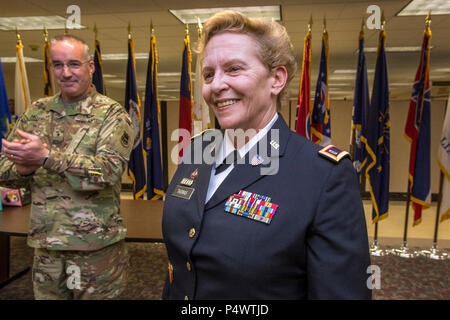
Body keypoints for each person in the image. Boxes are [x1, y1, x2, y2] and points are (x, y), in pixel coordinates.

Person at [162, 11, 372, 300]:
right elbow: (180, 266)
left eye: (234, 69)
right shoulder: (198, 150)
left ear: (276, 79)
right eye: (209, 74)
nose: (216, 85)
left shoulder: (323, 173)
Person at [0, 35, 133, 299]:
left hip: (96, 250)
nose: (66, 72)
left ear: (91, 67)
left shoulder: (112, 114)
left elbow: (107, 171)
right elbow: (4, 170)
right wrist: (24, 169)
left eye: (74, 64)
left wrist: (46, 157)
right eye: (58, 65)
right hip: (47, 248)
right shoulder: (36, 112)